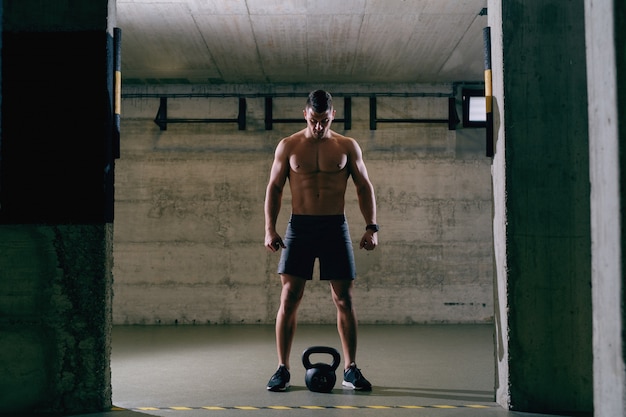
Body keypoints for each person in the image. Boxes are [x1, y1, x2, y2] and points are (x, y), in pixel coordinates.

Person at [264, 90, 378, 392]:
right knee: (289, 297)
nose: (318, 127)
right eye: (314, 121)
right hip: (299, 227)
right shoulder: (289, 145)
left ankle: (351, 369)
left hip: (334, 226)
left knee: (345, 299)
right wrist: (269, 229)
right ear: (305, 115)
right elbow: (274, 188)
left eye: (324, 121)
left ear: (333, 115)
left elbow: (364, 187)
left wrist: (372, 227)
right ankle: (282, 369)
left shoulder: (346, 146)